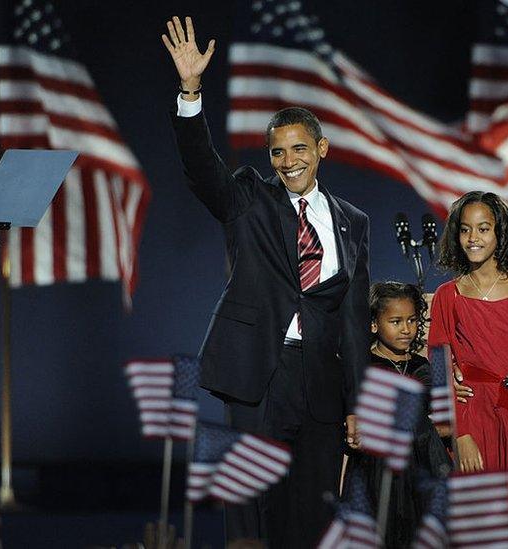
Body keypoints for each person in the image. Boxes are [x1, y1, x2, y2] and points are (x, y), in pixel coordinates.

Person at [161, 16, 371, 549]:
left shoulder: (353, 220)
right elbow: (201, 169)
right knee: (250, 510)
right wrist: (190, 93)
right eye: (278, 152)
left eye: (299, 149)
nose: (288, 161)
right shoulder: (249, 197)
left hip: (321, 379)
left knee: (314, 510)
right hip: (258, 370)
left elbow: (351, 319)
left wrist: (358, 401)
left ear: (322, 149)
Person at [427, 191, 508, 526]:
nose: (473, 238)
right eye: (465, 230)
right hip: (475, 414)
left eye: (483, 228)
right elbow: (439, 366)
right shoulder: (449, 295)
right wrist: (460, 432)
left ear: (500, 232)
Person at [343, 282, 452, 547]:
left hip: (423, 465)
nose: (406, 329)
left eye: (412, 320)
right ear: (373, 324)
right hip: (377, 471)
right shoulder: (362, 368)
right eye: (395, 321)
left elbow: (441, 417)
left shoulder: (421, 365)